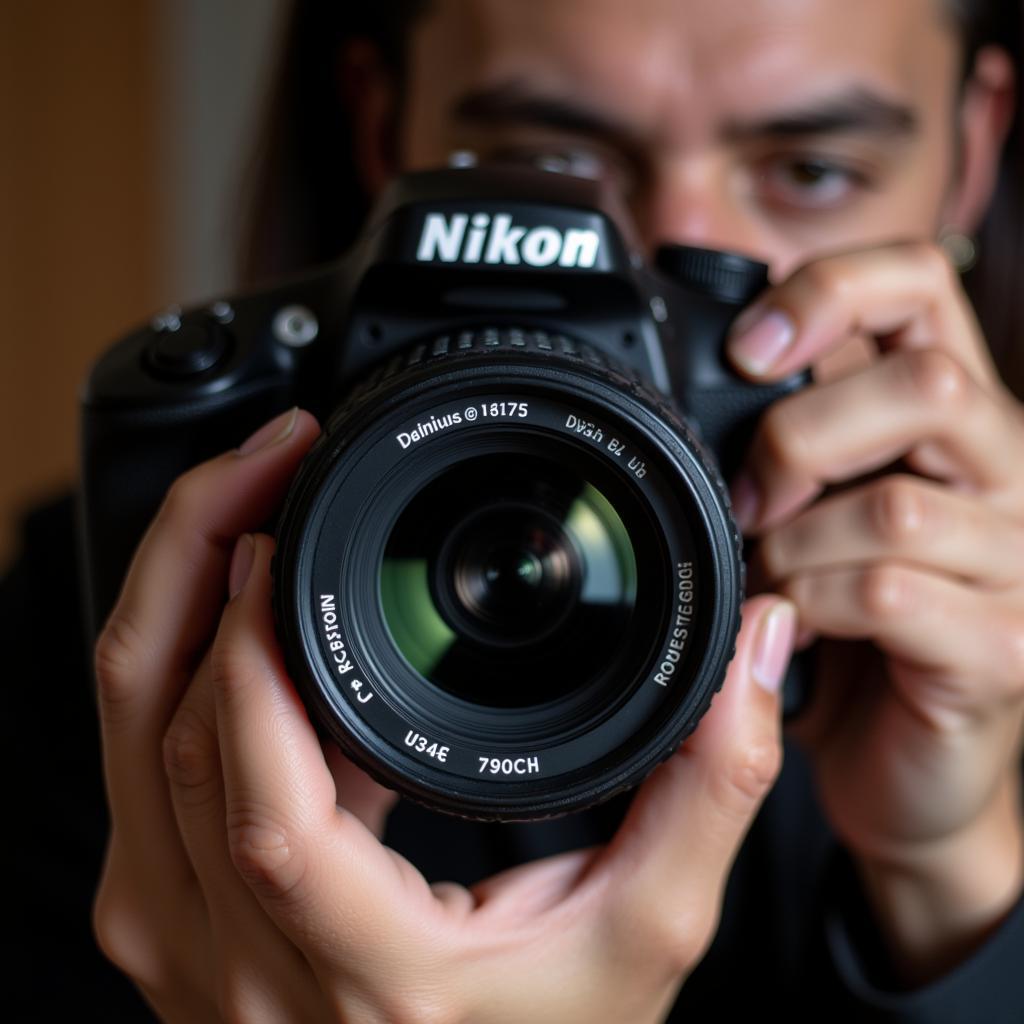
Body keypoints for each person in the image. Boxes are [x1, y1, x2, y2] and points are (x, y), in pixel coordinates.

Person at [5, 0, 1024, 1020]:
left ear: (971, 150)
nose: (674, 248)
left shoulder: (981, 607)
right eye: (548, 158)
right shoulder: (138, 610)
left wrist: (950, 871)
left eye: (810, 172)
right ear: (378, 121)